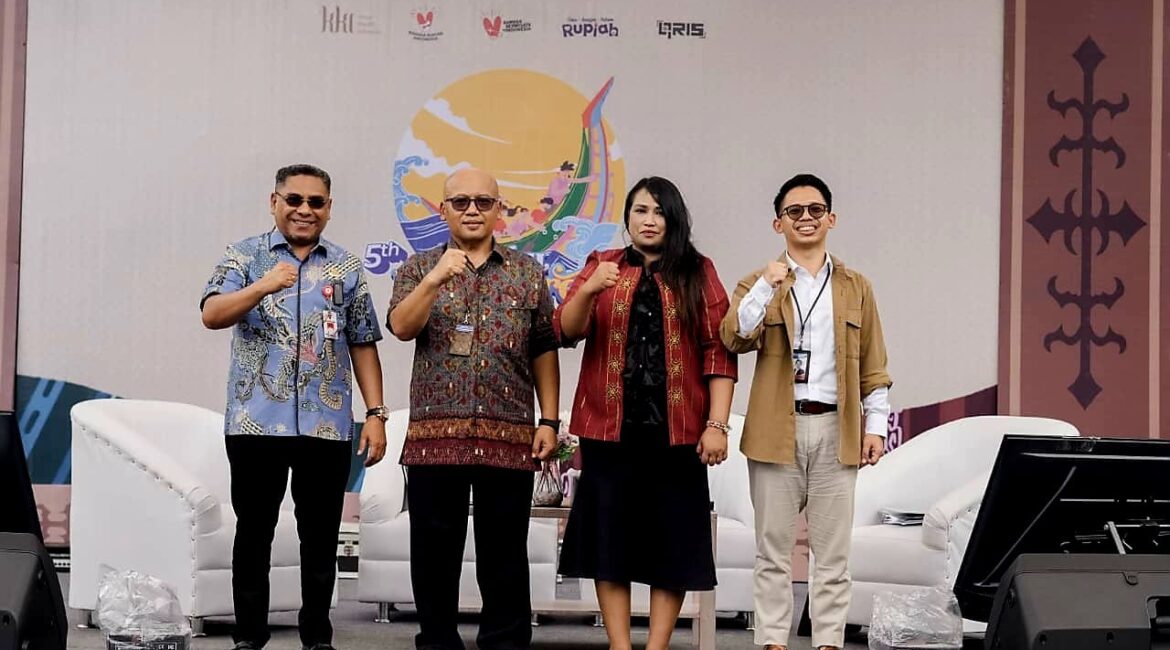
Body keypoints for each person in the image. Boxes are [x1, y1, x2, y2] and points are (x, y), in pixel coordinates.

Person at [201, 163, 388, 650]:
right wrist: (262, 286)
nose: (305, 210)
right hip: (255, 423)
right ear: (274, 202)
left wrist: (376, 414)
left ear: (328, 208)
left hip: (326, 427)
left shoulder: (346, 267)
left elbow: (362, 341)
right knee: (254, 532)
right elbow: (212, 313)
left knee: (320, 537)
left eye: (316, 202)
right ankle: (249, 636)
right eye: (295, 200)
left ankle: (317, 637)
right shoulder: (244, 256)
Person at [554, 176, 737, 650]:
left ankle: (656, 647)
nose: (649, 220)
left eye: (659, 212)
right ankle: (619, 645)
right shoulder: (604, 264)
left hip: (677, 434)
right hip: (609, 432)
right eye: (640, 210)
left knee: (671, 544)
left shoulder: (698, 271)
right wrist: (589, 290)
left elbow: (718, 352)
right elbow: (565, 330)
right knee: (609, 542)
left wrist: (717, 425)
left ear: (674, 220)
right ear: (627, 218)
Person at [386, 168, 560, 650]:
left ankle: (504, 642)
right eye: (460, 201)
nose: (472, 210)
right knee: (434, 550)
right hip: (435, 437)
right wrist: (435, 279)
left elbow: (543, 348)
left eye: (484, 202)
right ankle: (438, 641)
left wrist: (549, 419)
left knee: (505, 551)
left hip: (508, 434)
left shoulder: (526, 271)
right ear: (443, 209)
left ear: (499, 210)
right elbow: (401, 327)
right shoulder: (419, 268)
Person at [720, 173, 892, 650]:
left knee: (832, 554)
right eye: (794, 211)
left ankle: (828, 642)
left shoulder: (857, 287)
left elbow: (874, 365)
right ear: (779, 224)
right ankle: (773, 641)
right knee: (772, 551)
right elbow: (734, 336)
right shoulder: (759, 282)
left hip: (837, 428)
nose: (806, 218)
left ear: (831, 219)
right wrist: (766, 286)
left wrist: (876, 427)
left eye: (815, 209)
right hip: (776, 428)